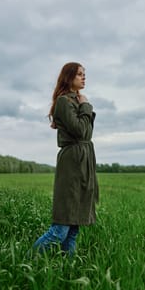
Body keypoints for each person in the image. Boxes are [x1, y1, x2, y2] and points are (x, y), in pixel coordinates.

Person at [30, 62, 99, 257]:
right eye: (79, 74)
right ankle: (24, 261)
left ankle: (68, 269)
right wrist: (86, 105)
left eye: (84, 74)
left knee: (74, 228)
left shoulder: (76, 101)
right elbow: (80, 131)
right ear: (69, 77)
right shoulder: (64, 101)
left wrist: (83, 104)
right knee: (60, 229)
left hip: (83, 160)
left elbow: (86, 133)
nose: (84, 77)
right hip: (72, 162)